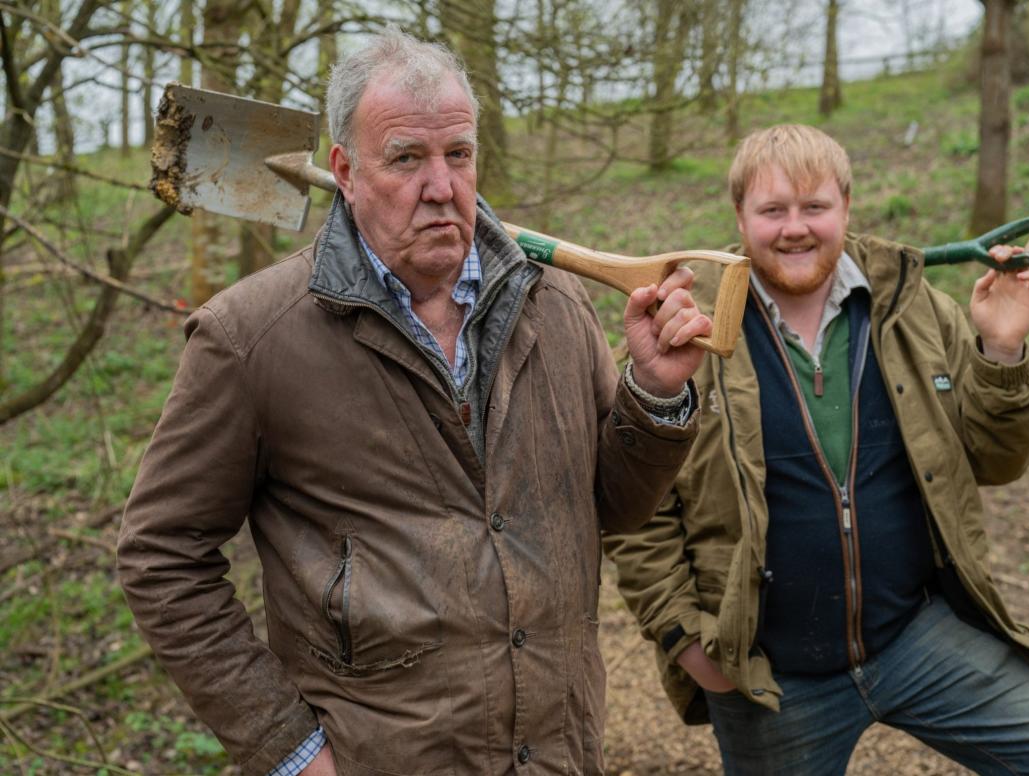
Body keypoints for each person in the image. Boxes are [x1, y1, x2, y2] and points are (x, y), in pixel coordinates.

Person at [117, 28, 713, 776]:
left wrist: (653, 395)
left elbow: (613, 509)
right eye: (405, 158)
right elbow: (161, 557)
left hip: (556, 753)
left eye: (457, 155)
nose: (441, 186)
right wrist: (289, 749)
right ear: (344, 169)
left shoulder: (554, 305)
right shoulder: (251, 339)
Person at [603, 124, 1029, 775]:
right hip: (767, 673)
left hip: (912, 635)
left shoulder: (913, 310)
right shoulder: (685, 332)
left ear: (845, 208)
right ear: (739, 216)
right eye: (772, 210)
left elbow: (997, 462)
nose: (794, 228)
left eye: (814, 207)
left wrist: (1001, 350)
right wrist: (686, 641)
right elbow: (633, 512)